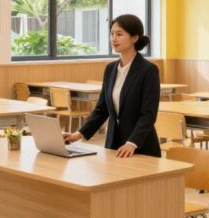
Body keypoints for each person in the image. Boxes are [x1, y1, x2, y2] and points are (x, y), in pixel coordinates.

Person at [64, 14, 160, 158]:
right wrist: (77, 135)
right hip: (113, 145)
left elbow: (148, 115)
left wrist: (132, 142)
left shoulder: (148, 70)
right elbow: (102, 109)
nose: (114, 38)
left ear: (134, 38)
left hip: (140, 147)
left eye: (119, 34)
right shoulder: (110, 69)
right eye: (112, 34)